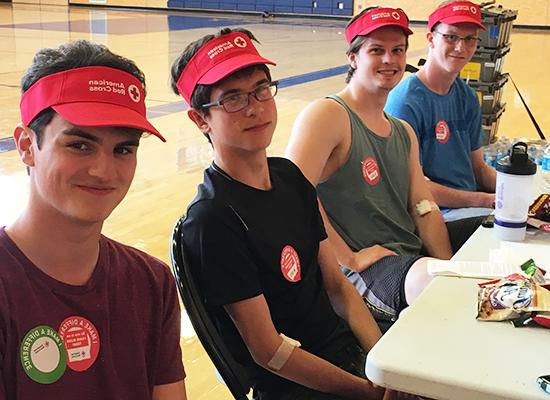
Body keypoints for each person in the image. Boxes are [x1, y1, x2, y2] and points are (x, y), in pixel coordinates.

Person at [172, 27, 415, 400]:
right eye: (233, 99)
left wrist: (382, 364)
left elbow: (338, 288)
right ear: (200, 119)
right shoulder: (212, 221)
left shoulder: (289, 177)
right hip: (297, 387)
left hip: (346, 359)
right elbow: (269, 351)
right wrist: (369, 392)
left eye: (260, 89)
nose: (254, 107)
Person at [0, 40, 187, 399]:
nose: (104, 171)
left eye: (123, 149)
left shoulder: (152, 282)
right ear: (26, 146)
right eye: (79, 145)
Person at [286, 7, 454, 323]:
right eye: (377, 50)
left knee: (488, 236)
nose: (389, 60)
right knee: (430, 280)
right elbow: (292, 197)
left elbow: (423, 206)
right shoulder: (327, 115)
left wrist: (452, 268)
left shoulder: (403, 131)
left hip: (407, 260)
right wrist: (347, 257)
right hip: (364, 274)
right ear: (353, 57)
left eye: (397, 50)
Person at [385, 0, 496, 222]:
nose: (461, 48)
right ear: (431, 39)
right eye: (451, 37)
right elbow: (414, 188)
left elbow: (478, 168)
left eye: (469, 39)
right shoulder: (405, 102)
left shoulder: (466, 96)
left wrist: (518, 191)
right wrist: (484, 200)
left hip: (474, 207)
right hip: (436, 216)